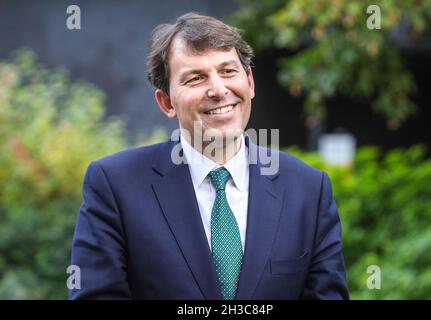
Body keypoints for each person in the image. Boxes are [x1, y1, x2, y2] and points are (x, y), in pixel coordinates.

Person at [69, 12, 349, 300]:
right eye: (195, 78)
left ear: (249, 82)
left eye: (228, 71)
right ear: (166, 102)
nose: (218, 90)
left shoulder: (308, 190)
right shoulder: (115, 186)